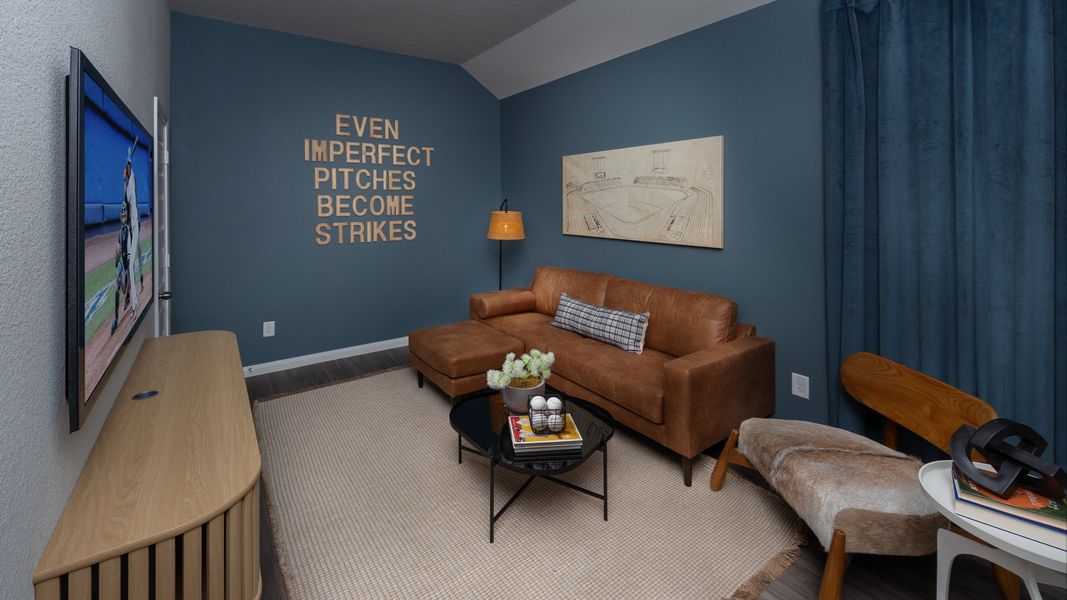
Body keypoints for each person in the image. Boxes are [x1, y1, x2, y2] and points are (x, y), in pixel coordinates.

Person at [123, 138, 141, 315]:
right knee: (127, 265)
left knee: (130, 266)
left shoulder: (131, 186)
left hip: (134, 231)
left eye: (126, 170)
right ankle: (128, 296)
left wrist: (129, 161)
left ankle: (134, 305)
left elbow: (130, 177)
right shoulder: (127, 188)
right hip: (129, 230)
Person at [110, 203, 131, 335]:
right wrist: (116, 257)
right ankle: (116, 318)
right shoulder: (119, 232)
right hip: (121, 265)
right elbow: (118, 247)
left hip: (128, 263)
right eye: (121, 215)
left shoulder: (129, 230)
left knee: (124, 289)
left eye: (124, 215)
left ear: (126, 216)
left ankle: (128, 294)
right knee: (117, 289)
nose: (123, 217)